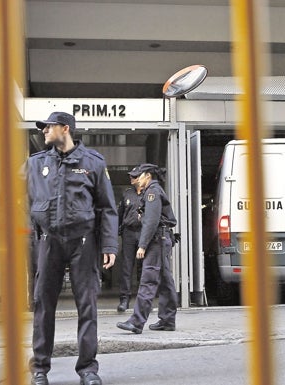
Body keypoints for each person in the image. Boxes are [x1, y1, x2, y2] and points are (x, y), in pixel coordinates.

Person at [28, 112, 118, 385]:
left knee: (87, 306)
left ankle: (88, 370)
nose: (44, 131)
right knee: (43, 305)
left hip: (83, 242)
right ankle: (40, 369)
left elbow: (107, 208)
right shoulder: (36, 164)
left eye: (48, 126)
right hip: (49, 241)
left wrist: (110, 244)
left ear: (65, 128)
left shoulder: (93, 162)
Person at [116, 163, 178, 334]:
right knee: (165, 281)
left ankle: (136, 322)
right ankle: (168, 319)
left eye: (139, 176)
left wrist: (142, 245)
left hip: (157, 239)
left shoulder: (152, 192)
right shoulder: (153, 191)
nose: (136, 179)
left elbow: (151, 221)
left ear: (148, 176)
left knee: (148, 280)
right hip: (162, 238)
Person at [115, 165, 144, 312]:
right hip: (129, 233)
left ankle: (143, 300)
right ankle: (124, 299)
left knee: (144, 267)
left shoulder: (149, 193)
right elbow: (120, 214)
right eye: (131, 176)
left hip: (144, 233)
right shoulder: (127, 194)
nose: (131, 178)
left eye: (134, 176)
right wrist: (120, 230)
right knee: (126, 267)